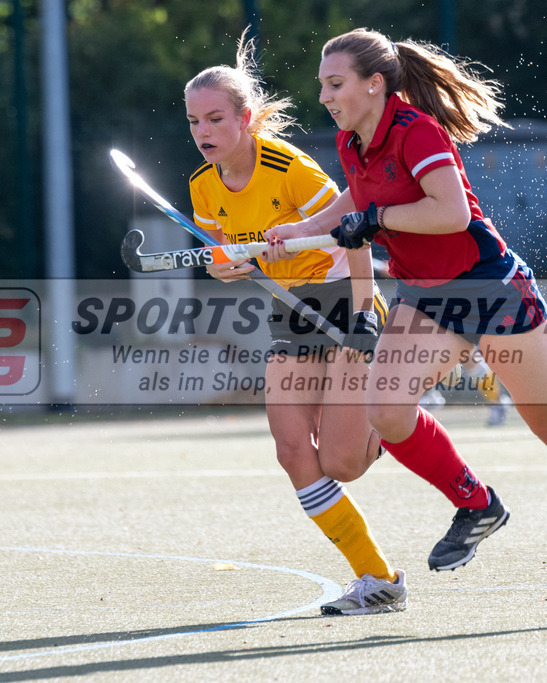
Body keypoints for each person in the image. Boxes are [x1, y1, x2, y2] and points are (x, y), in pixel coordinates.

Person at [265, 28, 547, 619]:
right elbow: (358, 195)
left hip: (492, 290)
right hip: (425, 297)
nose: (323, 95)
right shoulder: (353, 140)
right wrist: (299, 230)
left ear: (374, 84)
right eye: (324, 83)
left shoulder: (416, 132)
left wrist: (375, 219)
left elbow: (449, 214)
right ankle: (477, 504)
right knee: (388, 411)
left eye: (334, 83)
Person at [184, 33, 406, 615]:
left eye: (214, 118)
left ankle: (393, 412)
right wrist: (230, 267)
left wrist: (364, 314)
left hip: (344, 300)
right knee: (291, 451)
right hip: (291, 312)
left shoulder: (290, 168)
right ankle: (378, 578)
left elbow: (354, 232)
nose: (203, 132)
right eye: (193, 122)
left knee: (343, 463)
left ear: (246, 118)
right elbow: (231, 267)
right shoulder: (202, 189)